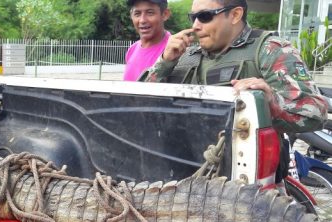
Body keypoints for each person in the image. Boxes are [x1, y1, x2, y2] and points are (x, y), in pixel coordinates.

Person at [141, 0, 329, 134]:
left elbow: (315, 113)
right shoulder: (183, 55)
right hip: (184, 171)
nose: (196, 26)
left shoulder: (269, 50)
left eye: (204, 16)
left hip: (247, 181)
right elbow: (138, 105)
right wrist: (164, 63)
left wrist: (270, 101)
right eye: (193, 17)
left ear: (235, 15)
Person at [123, 0, 172, 81]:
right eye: (137, 14)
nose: (142, 20)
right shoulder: (132, 50)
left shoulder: (174, 51)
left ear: (165, 14)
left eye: (150, 13)